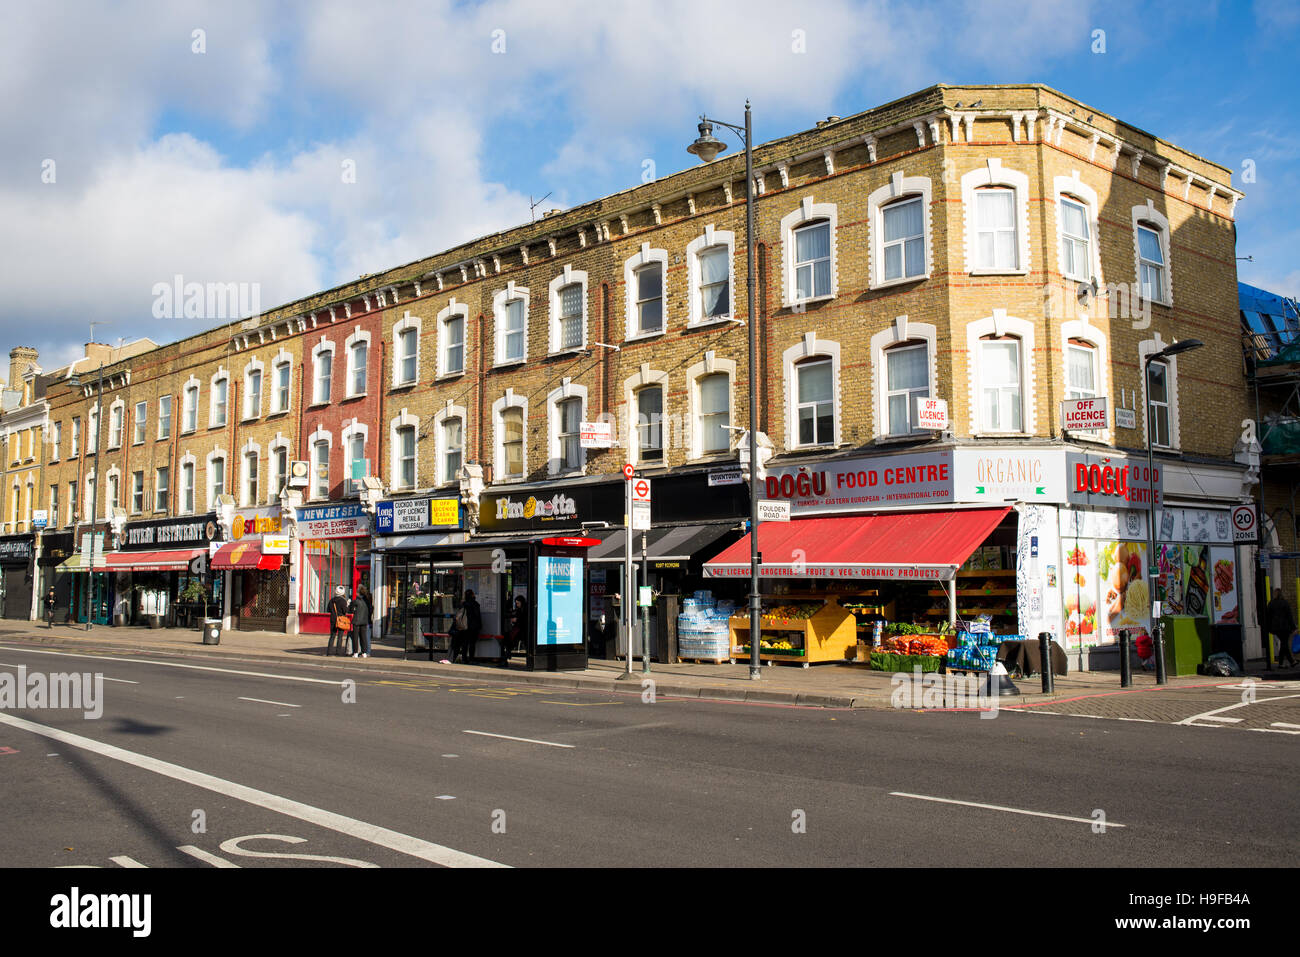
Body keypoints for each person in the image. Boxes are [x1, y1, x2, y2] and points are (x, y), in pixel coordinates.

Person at [1267, 588, 1297, 669]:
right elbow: (1289, 616)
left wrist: (1269, 628)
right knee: (1284, 644)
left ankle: (1286, 663)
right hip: (1285, 627)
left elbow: (1268, 617)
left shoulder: (1271, 603)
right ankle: (1290, 662)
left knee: (1284, 644)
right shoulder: (1285, 603)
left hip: (1276, 627)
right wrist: (1294, 627)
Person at [452, 589, 481, 664]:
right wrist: (479, 625)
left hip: (464, 626)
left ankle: (464, 658)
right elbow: (477, 616)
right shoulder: (475, 604)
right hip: (473, 627)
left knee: (465, 643)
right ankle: (471, 659)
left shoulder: (463, 604)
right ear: (472, 595)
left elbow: (457, 615)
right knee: (472, 644)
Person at [500, 594, 527, 667]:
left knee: (509, 643)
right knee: (508, 643)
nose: (517, 604)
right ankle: (505, 659)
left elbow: (523, 620)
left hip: (521, 631)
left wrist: (516, 620)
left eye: (518, 603)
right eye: (516, 603)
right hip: (518, 631)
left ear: (522, 602)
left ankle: (505, 660)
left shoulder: (524, 610)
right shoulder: (519, 609)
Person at [327, 585, 351, 657]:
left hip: (333, 619)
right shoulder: (343, 601)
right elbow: (345, 611)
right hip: (341, 620)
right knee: (340, 637)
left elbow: (328, 610)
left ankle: (329, 652)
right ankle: (338, 652)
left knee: (332, 636)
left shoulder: (331, 600)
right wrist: (348, 604)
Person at [350, 584, 372, 658]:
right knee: (363, 637)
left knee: (355, 637)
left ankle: (355, 652)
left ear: (358, 592)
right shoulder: (367, 602)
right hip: (365, 621)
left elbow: (350, 610)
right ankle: (364, 652)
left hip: (356, 621)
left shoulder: (355, 601)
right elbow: (370, 610)